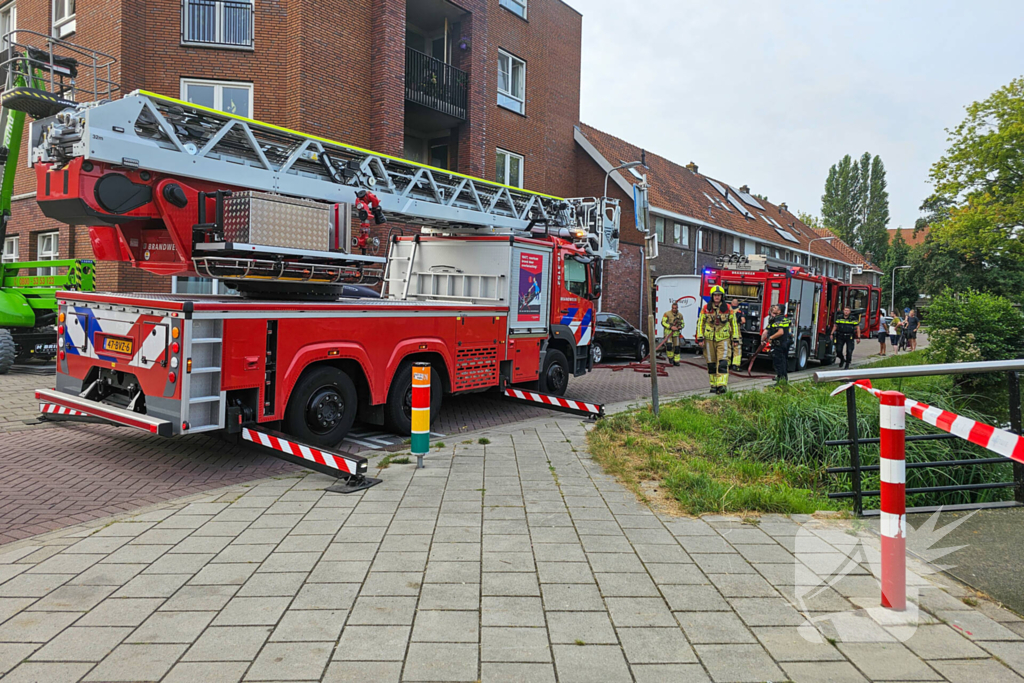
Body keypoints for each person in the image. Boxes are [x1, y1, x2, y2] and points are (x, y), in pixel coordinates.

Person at [696, 286, 739, 394]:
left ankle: (722, 385)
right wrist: (700, 337)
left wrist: (735, 338)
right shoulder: (706, 308)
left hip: (723, 339)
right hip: (709, 339)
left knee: (723, 362)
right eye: (715, 295)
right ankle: (713, 385)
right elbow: (700, 323)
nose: (717, 297)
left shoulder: (728, 308)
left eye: (719, 295)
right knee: (711, 363)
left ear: (722, 296)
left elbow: (734, 324)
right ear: (712, 296)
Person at [761, 303, 791, 383]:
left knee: (778, 363)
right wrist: (763, 339)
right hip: (785, 343)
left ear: (779, 311)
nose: (773, 309)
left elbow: (780, 332)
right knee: (783, 362)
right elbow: (765, 332)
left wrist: (770, 338)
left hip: (778, 344)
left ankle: (780, 380)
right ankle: (783, 378)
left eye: (775, 308)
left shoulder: (777, 320)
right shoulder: (785, 319)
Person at [831, 306, 861, 370]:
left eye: (847, 311)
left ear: (849, 312)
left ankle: (847, 364)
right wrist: (831, 333)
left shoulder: (853, 318)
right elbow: (835, 326)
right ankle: (842, 359)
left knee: (849, 351)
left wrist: (858, 337)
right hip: (840, 336)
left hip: (849, 336)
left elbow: (857, 328)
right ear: (843, 311)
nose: (846, 312)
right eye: (845, 310)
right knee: (838, 350)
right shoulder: (839, 317)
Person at [661, 302, 684, 366]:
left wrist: (680, 327)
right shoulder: (667, 314)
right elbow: (663, 322)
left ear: (677, 308)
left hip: (676, 334)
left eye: (675, 308)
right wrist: (670, 327)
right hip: (668, 333)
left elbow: (683, 323)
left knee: (677, 347)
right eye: (673, 308)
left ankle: (676, 361)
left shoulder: (680, 315)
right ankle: (670, 358)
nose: (674, 309)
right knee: (669, 346)